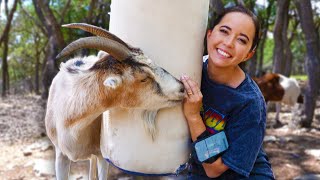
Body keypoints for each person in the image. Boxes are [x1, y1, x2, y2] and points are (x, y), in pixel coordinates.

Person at [180, 5, 275, 179]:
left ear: (248, 54)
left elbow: (214, 169)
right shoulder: (191, 70)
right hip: (200, 170)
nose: (229, 43)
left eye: (242, 40)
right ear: (209, 35)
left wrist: (194, 116)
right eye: (224, 31)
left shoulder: (250, 103)